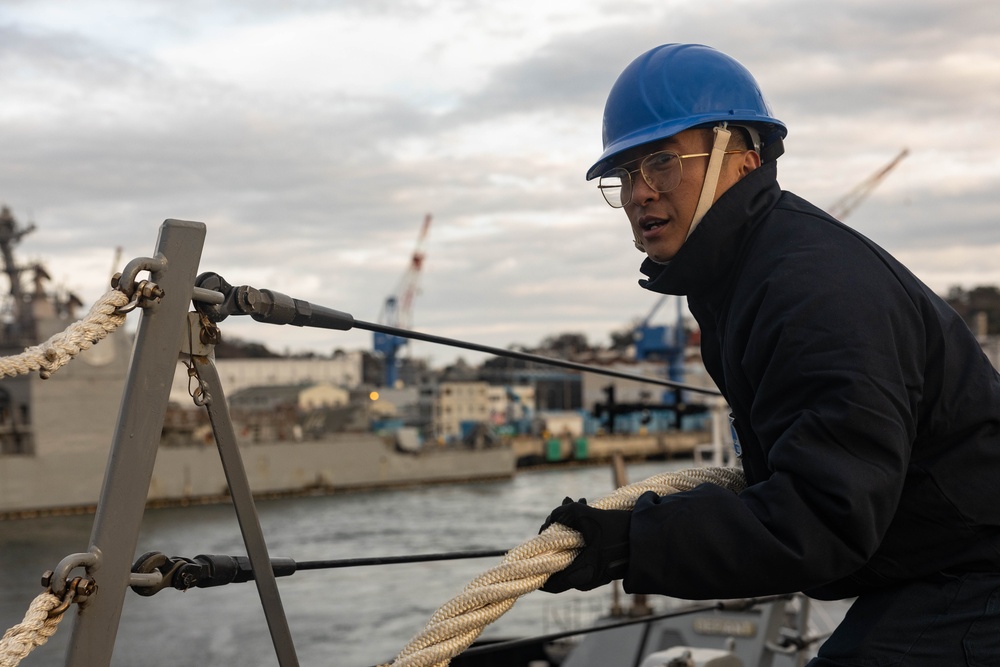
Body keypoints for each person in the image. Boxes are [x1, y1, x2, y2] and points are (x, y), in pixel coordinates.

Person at [540, 43, 1000, 665]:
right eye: (623, 176)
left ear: (743, 156)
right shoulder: (749, 273)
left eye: (660, 163)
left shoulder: (807, 289)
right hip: (938, 563)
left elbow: (824, 515)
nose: (638, 193)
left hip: (974, 572)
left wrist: (630, 542)